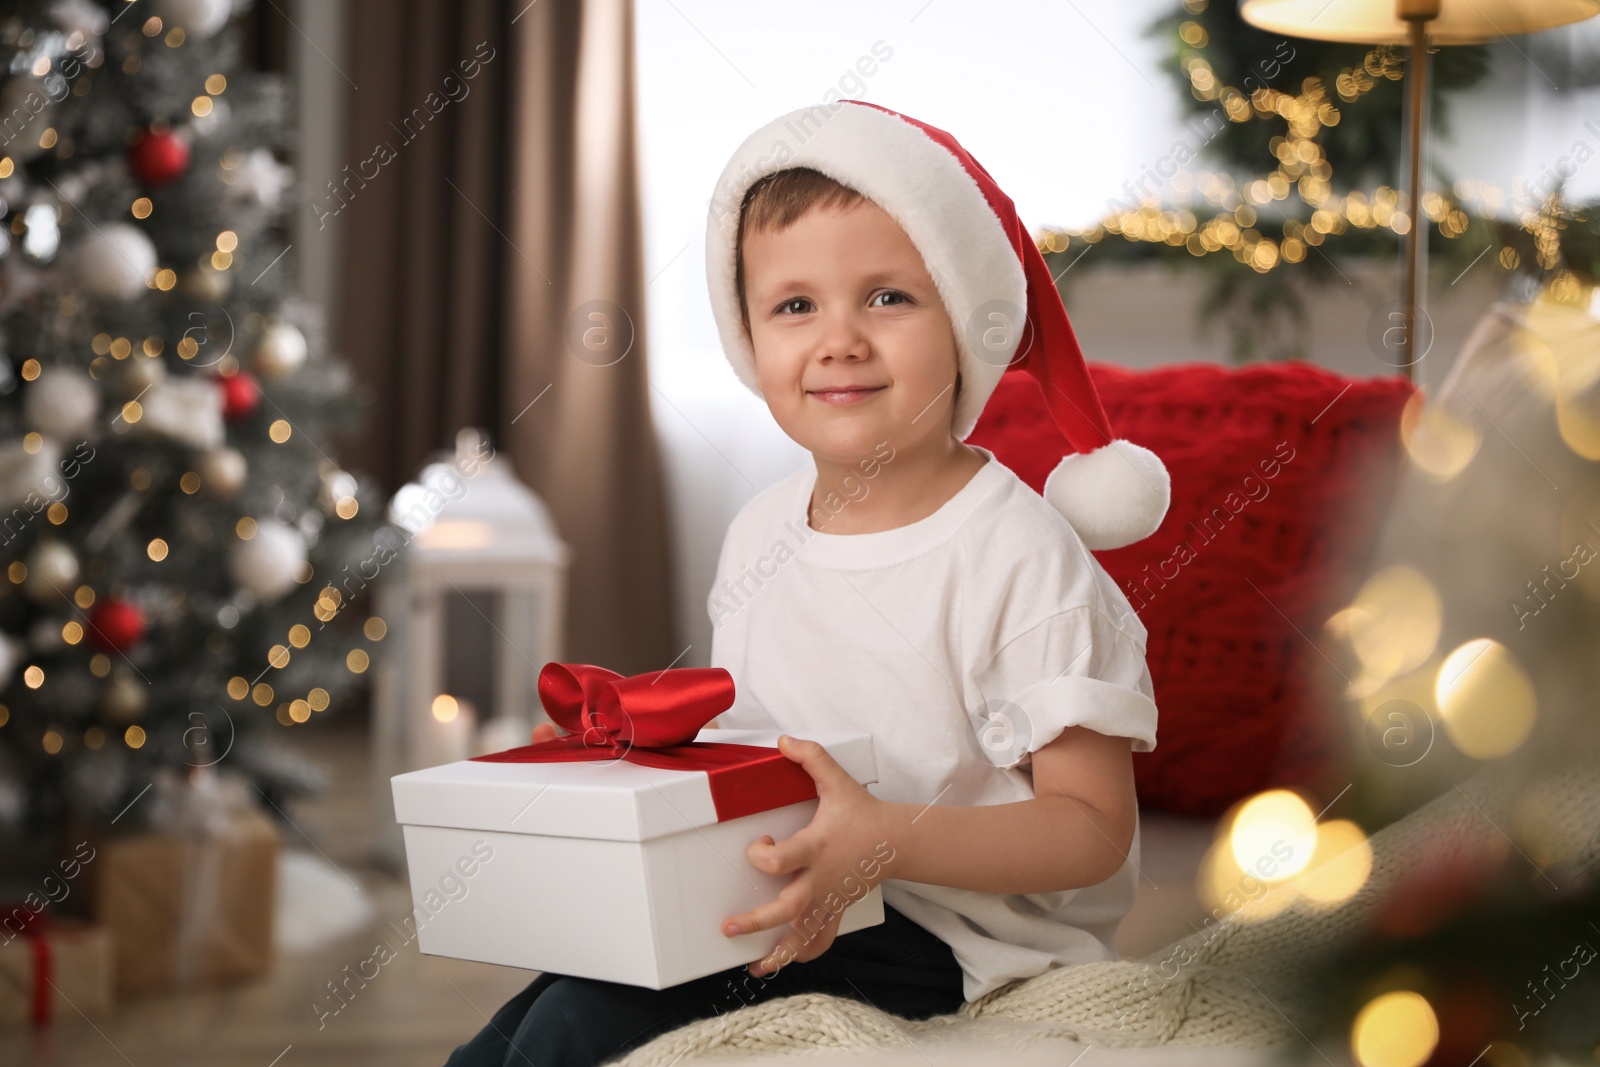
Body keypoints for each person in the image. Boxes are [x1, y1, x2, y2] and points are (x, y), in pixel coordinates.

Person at [444, 99, 1170, 1067]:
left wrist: (884, 839)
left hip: (959, 941)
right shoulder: (759, 533)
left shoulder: (1019, 556)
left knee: (579, 1032)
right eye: (795, 305)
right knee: (518, 1027)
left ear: (965, 323)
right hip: (803, 891)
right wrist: (612, 768)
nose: (838, 340)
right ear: (749, 335)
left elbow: (1089, 829)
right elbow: (761, 754)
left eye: (886, 298)